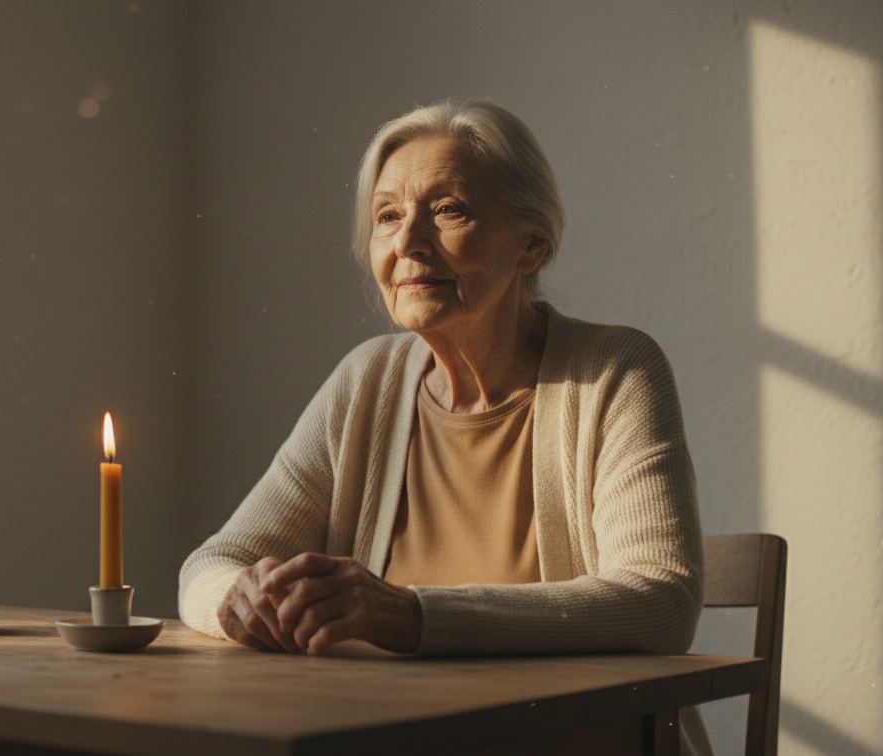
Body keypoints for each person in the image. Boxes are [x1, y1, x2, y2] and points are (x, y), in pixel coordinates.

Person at [178, 100, 710, 755]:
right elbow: (211, 564)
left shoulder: (616, 370)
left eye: (449, 209)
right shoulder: (365, 381)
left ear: (531, 243)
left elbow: (660, 601)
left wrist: (409, 613)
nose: (407, 244)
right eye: (388, 216)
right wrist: (243, 601)